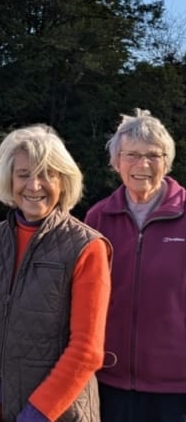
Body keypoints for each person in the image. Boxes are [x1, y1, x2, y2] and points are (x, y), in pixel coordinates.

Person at [0, 124, 111, 422]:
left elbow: (87, 350)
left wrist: (36, 414)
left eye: (46, 174)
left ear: (63, 180)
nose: (34, 185)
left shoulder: (87, 247)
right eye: (24, 174)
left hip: (58, 414)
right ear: (9, 179)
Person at [84, 109, 186, 422]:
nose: (142, 165)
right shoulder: (96, 219)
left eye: (153, 155)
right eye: (131, 155)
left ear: (166, 162)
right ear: (116, 162)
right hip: (108, 381)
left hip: (176, 390)